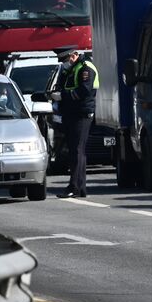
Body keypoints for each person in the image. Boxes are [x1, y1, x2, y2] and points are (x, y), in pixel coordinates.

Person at [54, 46, 98, 198]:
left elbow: (84, 90)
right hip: (71, 113)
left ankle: (75, 186)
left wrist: (63, 96)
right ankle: (80, 187)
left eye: (67, 59)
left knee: (77, 151)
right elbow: (63, 85)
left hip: (81, 114)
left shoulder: (86, 67)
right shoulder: (71, 68)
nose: (66, 62)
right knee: (76, 151)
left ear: (74, 55)